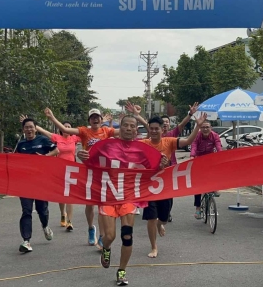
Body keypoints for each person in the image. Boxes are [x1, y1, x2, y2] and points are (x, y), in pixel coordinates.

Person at [77, 115, 169, 286]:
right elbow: (91, 164)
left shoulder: (142, 149)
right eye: (125, 125)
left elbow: (153, 171)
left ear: (136, 130)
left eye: (131, 126)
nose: (128, 128)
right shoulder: (106, 146)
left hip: (129, 197)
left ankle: (122, 270)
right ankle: (106, 248)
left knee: (127, 236)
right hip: (108, 197)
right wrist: (83, 157)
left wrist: (162, 165)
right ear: (121, 128)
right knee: (109, 236)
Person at [45, 104, 147, 249]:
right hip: (90, 171)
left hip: (104, 173)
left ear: (100, 120)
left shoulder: (107, 130)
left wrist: (135, 117)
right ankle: (91, 228)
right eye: (92, 118)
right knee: (90, 205)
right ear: (89, 120)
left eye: (97, 117)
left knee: (101, 205)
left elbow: (126, 131)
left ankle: (101, 235)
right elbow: (66, 130)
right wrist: (52, 117)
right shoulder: (84, 131)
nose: (95, 120)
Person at [140, 112, 207, 258]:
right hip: (149, 186)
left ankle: (160, 223)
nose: (153, 131)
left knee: (163, 217)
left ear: (162, 130)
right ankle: (154, 247)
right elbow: (126, 149)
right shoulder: (143, 144)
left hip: (166, 186)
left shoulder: (169, 141)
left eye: (156, 128)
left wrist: (198, 126)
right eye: (151, 128)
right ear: (148, 130)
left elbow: (189, 141)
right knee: (151, 217)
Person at [15, 117, 59, 252]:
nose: (29, 129)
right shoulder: (20, 145)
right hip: (25, 183)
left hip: (41, 182)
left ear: (35, 128)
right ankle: (26, 241)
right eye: (26, 127)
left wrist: (44, 157)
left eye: (31, 127)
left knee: (42, 210)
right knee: (26, 211)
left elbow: (57, 151)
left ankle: (45, 226)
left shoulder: (42, 140)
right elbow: (14, 161)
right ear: (23, 130)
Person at [29, 116, 81, 231]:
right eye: (65, 126)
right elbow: (43, 131)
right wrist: (30, 123)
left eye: (69, 127)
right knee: (62, 195)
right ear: (61, 129)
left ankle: (70, 222)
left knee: (70, 196)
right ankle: (63, 214)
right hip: (59, 169)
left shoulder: (74, 138)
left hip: (72, 170)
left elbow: (90, 133)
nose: (67, 128)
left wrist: (105, 123)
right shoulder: (56, 137)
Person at [190, 120, 222, 219]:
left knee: (215, 171)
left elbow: (218, 146)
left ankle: (215, 187)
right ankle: (198, 208)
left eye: (207, 127)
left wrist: (221, 155)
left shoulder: (215, 136)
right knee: (198, 185)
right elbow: (194, 146)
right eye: (203, 127)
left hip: (210, 158)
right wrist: (192, 156)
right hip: (199, 159)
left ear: (210, 128)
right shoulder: (198, 136)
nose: (205, 129)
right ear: (200, 128)